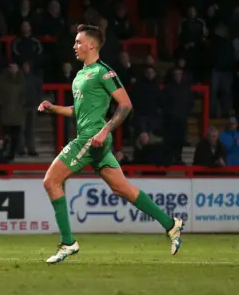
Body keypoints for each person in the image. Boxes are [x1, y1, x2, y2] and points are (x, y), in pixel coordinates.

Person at [37, 24, 183, 264]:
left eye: (78, 42)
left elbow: (125, 104)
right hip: (91, 137)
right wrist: (53, 108)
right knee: (122, 189)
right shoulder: (80, 75)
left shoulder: (104, 72)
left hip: (92, 138)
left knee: (51, 181)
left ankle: (68, 242)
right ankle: (171, 224)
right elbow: (78, 111)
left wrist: (104, 131)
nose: (74, 46)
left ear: (92, 45)